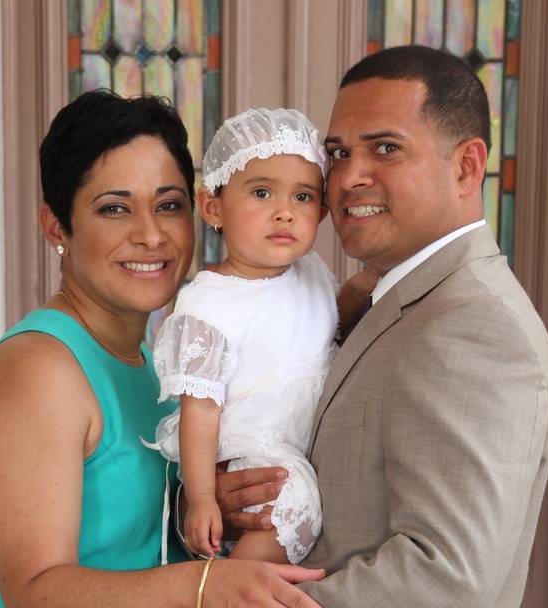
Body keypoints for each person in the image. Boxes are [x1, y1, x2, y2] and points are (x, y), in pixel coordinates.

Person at [0, 90, 323, 608]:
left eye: (169, 205)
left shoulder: (152, 362)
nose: (151, 235)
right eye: (114, 209)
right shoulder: (36, 369)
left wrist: (205, 501)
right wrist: (208, 585)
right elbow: (35, 593)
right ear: (56, 226)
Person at [293, 45, 548, 606]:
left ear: (466, 166)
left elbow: (446, 579)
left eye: (385, 149)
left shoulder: (476, 327)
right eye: (338, 154)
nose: (347, 178)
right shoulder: (392, 300)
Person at [149, 108, 377, 566]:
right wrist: (202, 498)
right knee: (278, 514)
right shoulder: (209, 306)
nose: (284, 213)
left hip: (309, 448)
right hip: (254, 452)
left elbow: (336, 316)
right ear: (213, 206)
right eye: (261, 192)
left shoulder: (311, 273)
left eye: (303, 197)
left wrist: (378, 277)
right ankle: (237, 583)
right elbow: (201, 411)